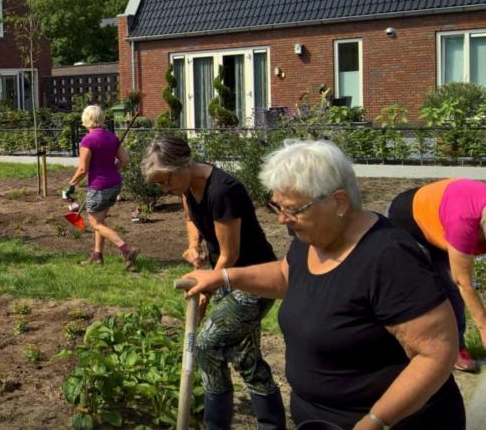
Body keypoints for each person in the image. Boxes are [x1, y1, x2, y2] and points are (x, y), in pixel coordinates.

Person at [180, 140, 464, 429]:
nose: (281, 219)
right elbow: (285, 275)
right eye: (277, 206)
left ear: (339, 202)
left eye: (291, 209)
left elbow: (435, 353)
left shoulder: (389, 257)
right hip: (318, 418)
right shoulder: (311, 239)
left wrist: (375, 421)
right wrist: (224, 277)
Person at [142, 136, 284, 429]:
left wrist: (206, 290)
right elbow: (192, 218)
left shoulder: (223, 191)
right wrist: (194, 246)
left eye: (166, 180)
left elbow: (230, 255)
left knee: (207, 343)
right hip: (225, 279)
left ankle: (215, 425)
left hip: (254, 280)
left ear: (185, 163)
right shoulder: (187, 186)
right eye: (159, 185)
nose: (165, 188)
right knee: (246, 358)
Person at [386, 178, 486, 372]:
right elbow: (462, 281)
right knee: (431, 287)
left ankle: (454, 345)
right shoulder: (463, 221)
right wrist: (483, 327)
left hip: (441, 218)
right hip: (409, 223)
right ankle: (430, 349)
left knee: (449, 285)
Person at [64, 105, 138, 269]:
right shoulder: (111, 137)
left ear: (86, 120)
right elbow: (125, 160)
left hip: (99, 187)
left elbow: (83, 169)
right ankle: (97, 256)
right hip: (115, 184)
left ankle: (127, 250)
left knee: (96, 224)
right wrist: (113, 169)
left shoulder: (88, 140)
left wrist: (71, 185)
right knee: (100, 221)